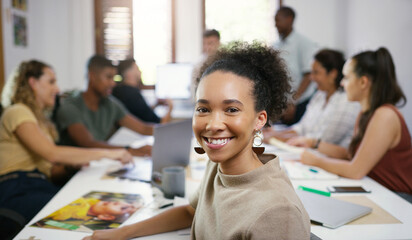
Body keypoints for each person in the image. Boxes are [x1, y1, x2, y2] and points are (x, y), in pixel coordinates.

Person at [83, 42, 310, 240]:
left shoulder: (278, 212)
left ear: (259, 119)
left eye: (231, 109)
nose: (213, 124)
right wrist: (122, 233)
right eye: (203, 109)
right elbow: (191, 211)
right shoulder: (220, 163)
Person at [0, 60, 132, 227]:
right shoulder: (17, 111)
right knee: (86, 216)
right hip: (16, 188)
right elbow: (52, 152)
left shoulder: (43, 124)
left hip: (38, 184)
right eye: (51, 82)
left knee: (94, 206)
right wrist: (110, 153)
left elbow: (51, 170)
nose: (57, 89)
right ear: (32, 83)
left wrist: (70, 166)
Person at [300, 47, 412, 201]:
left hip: (397, 198)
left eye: (346, 77)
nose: (341, 83)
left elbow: (355, 170)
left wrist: (316, 161)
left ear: (363, 82)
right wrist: (314, 144)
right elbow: (351, 155)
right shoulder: (365, 114)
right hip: (376, 190)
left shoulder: (385, 116)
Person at [56, 55, 153, 156]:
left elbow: (143, 128)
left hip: (101, 162)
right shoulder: (71, 106)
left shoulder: (110, 103)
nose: (113, 83)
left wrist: (166, 131)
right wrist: (130, 150)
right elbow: (88, 144)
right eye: (108, 77)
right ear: (92, 76)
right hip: (77, 168)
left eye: (114, 78)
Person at [263, 49, 360, 149]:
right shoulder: (320, 95)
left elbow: (323, 139)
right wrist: (276, 134)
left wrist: (276, 138)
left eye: (316, 73)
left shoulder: (346, 101)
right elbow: (302, 128)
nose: (311, 77)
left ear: (333, 74)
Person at [273, 6, 318, 125]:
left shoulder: (304, 43)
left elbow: (308, 75)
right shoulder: (276, 45)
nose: (275, 24)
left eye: (278, 20)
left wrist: (293, 102)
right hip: (282, 104)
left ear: (289, 19)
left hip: (300, 103)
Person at [112, 58, 173, 124]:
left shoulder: (120, 91)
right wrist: (170, 107)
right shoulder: (132, 95)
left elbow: (142, 113)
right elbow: (160, 125)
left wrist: (156, 105)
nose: (140, 71)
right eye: (137, 68)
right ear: (129, 73)